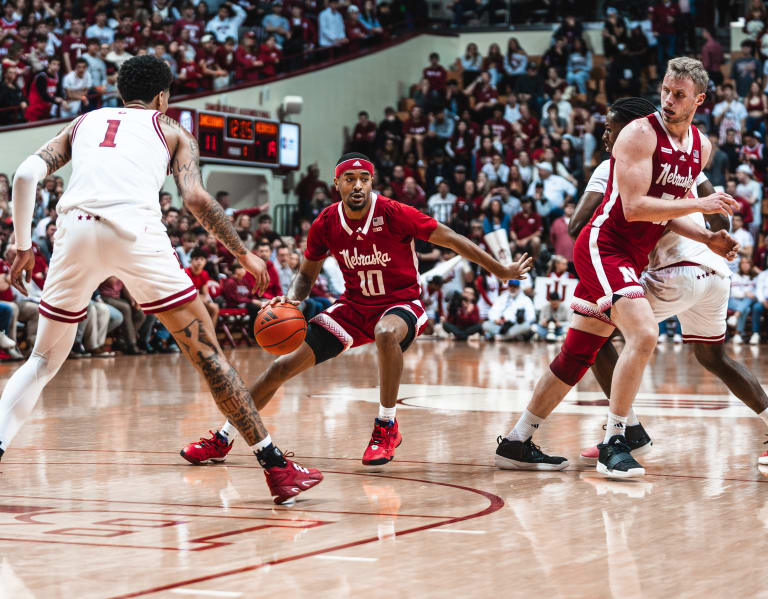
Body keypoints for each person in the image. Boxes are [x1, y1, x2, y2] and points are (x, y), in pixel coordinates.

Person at [0, 55, 321, 505]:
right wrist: (243, 252)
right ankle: (276, 468)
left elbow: (25, 174)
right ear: (163, 97)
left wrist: (21, 243)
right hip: (136, 233)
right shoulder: (171, 130)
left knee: (42, 362)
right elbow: (195, 198)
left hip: (73, 230)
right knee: (209, 358)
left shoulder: (84, 122)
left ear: (119, 92)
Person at [181, 152, 532, 467]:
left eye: (364, 178)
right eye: (350, 179)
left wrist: (500, 269)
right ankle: (224, 437)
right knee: (279, 368)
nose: (358, 185)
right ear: (337, 184)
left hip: (401, 303)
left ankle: (386, 425)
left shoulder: (394, 213)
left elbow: (453, 238)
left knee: (384, 333)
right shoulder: (325, 222)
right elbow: (306, 274)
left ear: (372, 182)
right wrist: (291, 299)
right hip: (351, 308)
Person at [495, 58, 740, 478]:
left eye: (679, 94)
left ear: (699, 100)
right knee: (644, 332)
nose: (668, 100)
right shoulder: (639, 134)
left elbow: (662, 214)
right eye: (665, 89)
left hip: (630, 254)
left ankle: (517, 441)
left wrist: (706, 238)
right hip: (604, 245)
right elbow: (635, 207)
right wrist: (701, 204)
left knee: (577, 354)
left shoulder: (700, 147)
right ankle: (615, 441)